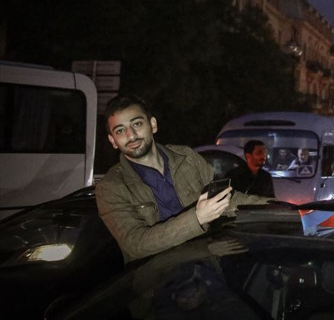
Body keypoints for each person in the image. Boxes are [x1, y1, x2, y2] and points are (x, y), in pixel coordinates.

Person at [96, 94, 270, 263]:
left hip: (205, 266)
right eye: (120, 130)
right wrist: (197, 218)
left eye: (137, 124)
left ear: (152, 124)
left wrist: (275, 207)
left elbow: (224, 199)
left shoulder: (187, 157)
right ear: (113, 140)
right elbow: (135, 244)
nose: (131, 135)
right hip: (155, 277)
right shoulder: (110, 187)